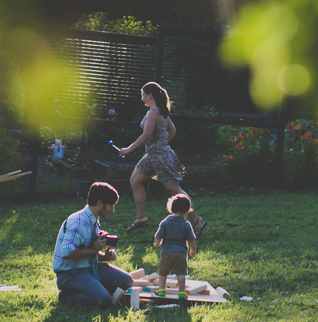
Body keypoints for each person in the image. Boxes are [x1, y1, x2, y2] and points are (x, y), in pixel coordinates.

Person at [118, 82, 206, 236]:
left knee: (174, 189)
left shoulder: (153, 112)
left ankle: (197, 220)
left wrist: (128, 149)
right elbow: (173, 132)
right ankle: (141, 217)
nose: (142, 98)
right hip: (153, 155)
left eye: (143, 95)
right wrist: (161, 144)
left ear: (150, 95)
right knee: (135, 180)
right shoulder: (161, 112)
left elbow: (146, 134)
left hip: (160, 157)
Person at [52, 181, 134, 307]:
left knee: (127, 281)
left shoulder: (93, 220)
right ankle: (67, 296)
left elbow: (87, 251)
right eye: (111, 205)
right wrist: (94, 249)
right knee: (103, 300)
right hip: (71, 273)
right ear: (100, 203)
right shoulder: (78, 222)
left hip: (90, 267)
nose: (113, 210)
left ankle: (95, 289)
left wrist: (104, 257)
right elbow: (67, 252)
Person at [153, 193, 196, 299]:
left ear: (171, 208)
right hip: (180, 253)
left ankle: (161, 290)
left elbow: (158, 236)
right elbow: (191, 239)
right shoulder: (186, 224)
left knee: (163, 273)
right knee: (181, 274)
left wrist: (157, 243)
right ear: (186, 211)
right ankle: (181, 292)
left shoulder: (165, 223)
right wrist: (192, 250)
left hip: (166, 252)